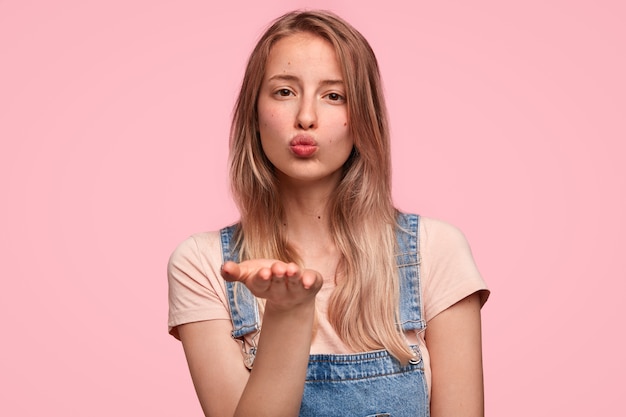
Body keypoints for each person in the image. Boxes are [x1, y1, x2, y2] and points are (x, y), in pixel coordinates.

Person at [168, 10, 489, 417]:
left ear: (363, 119)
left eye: (334, 95)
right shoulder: (203, 264)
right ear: (254, 111)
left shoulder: (435, 250)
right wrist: (289, 313)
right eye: (284, 92)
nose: (306, 116)